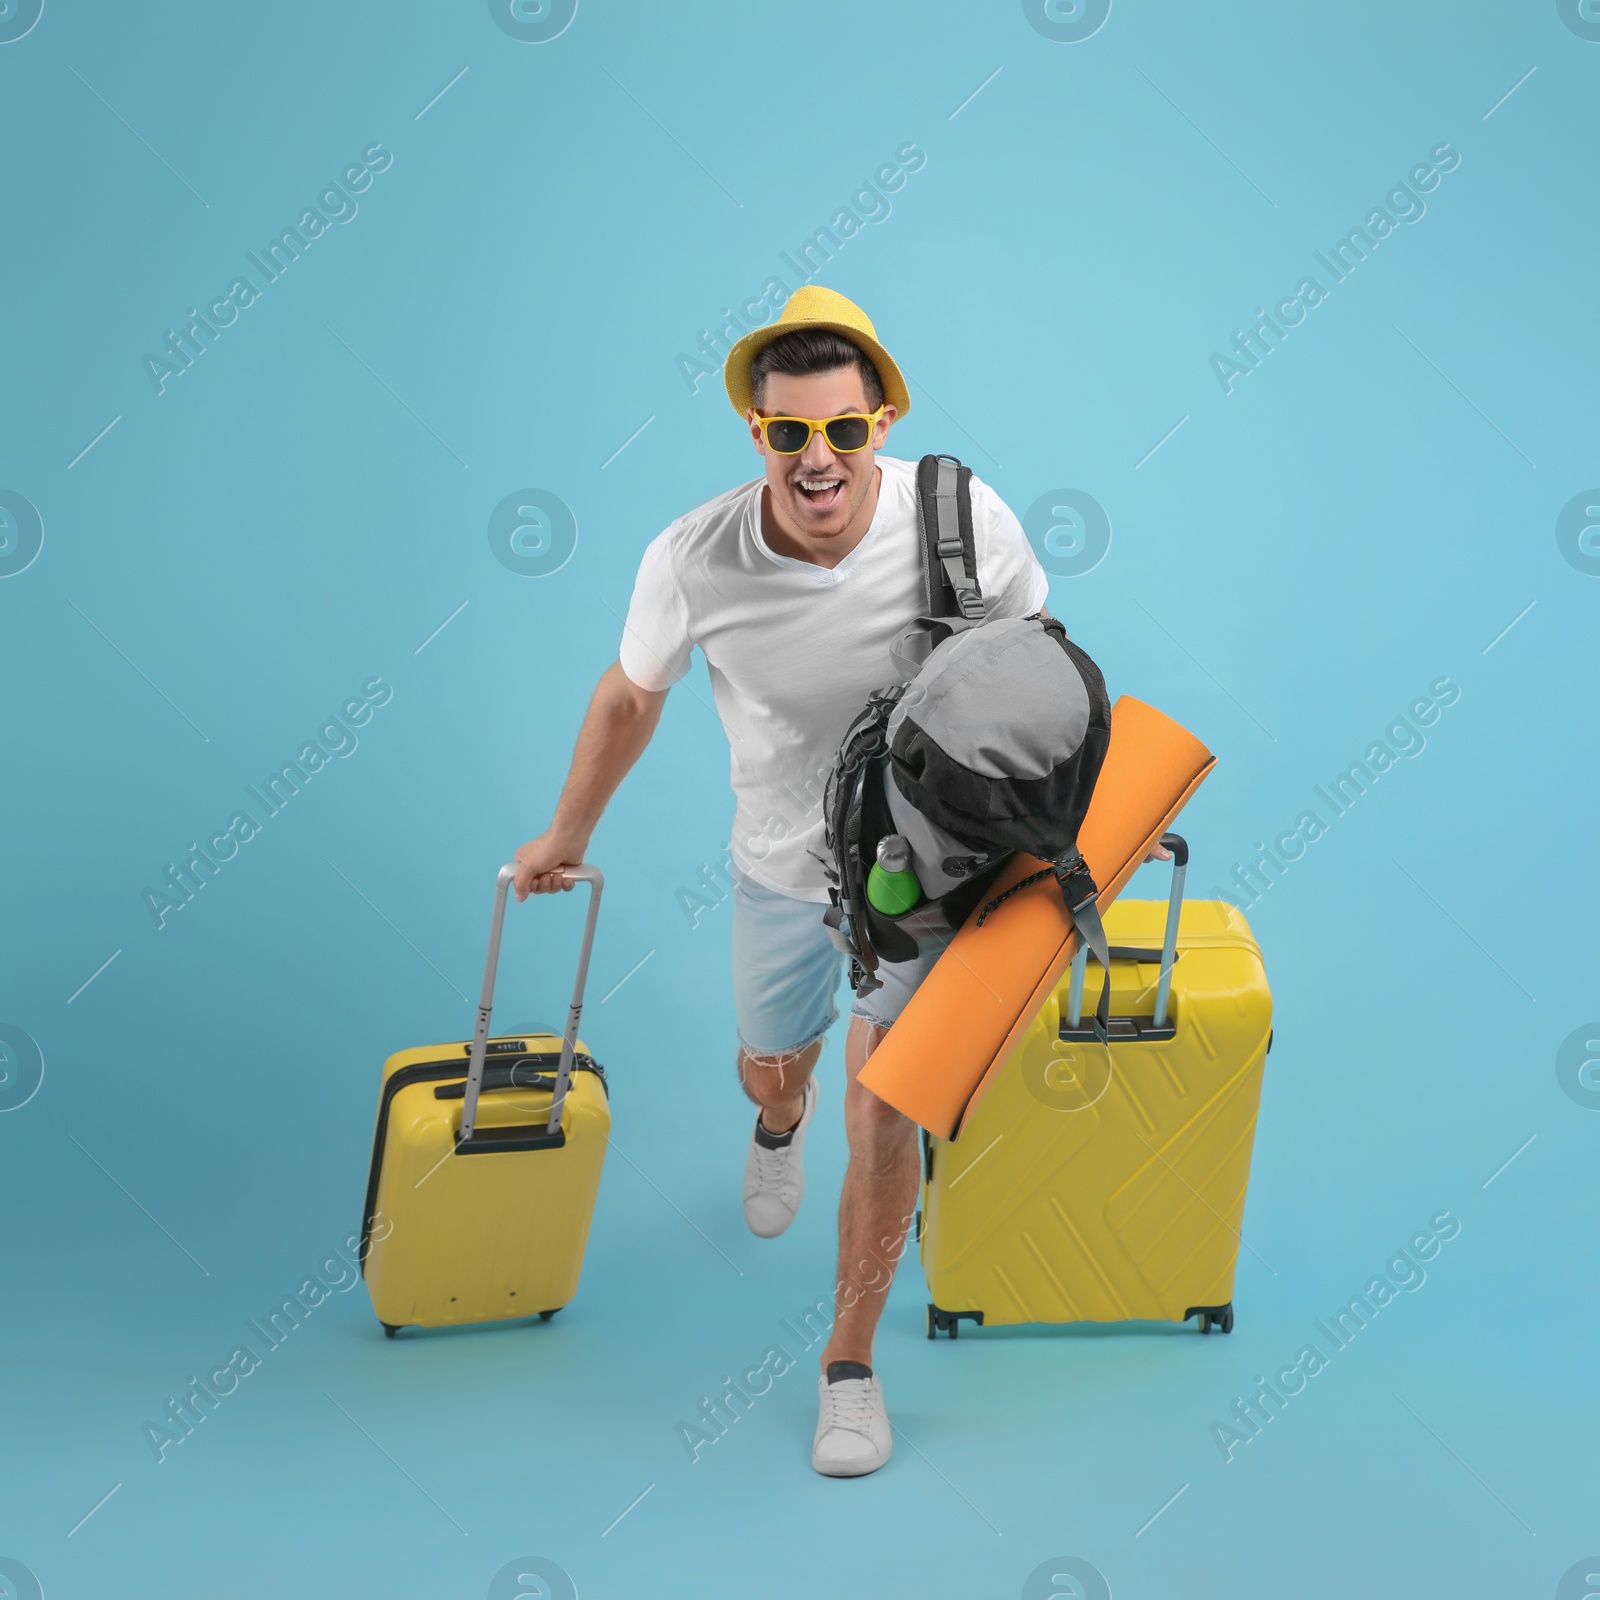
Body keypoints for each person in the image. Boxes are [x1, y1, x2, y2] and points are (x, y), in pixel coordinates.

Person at [512, 286, 1049, 1477]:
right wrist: (563, 834)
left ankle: (848, 1367)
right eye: (790, 432)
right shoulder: (693, 554)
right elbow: (627, 697)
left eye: (844, 431)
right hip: (784, 866)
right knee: (776, 1059)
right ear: (756, 434)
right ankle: (773, 1117)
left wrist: (1038, 863)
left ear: (883, 422)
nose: (819, 458)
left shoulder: (964, 521)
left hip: (929, 872)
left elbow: (1037, 688)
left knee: (883, 1105)